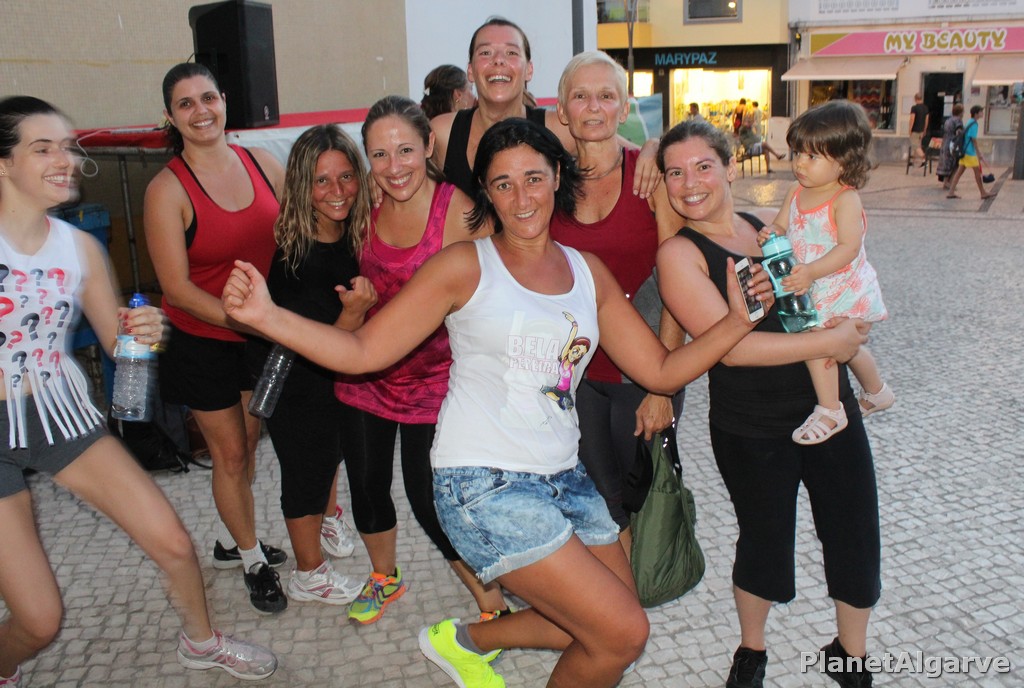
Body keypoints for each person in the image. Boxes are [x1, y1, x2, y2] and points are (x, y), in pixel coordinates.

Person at [223, 116, 773, 688]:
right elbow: (363, 351)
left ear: (556, 176)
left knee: (593, 620)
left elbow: (660, 370)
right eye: (503, 184)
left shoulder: (588, 273)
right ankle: (471, 640)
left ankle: (464, 640)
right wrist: (267, 316)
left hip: (565, 475)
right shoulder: (465, 265)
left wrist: (736, 322)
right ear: (486, 192)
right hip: (483, 482)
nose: (521, 197)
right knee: (623, 633)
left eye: (533, 178)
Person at [0, 95, 277, 685]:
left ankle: (201, 642)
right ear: (3, 163)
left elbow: (122, 349)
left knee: (174, 542)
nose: (65, 160)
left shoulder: (79, 247)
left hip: (58, 414)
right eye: (43, 149)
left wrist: (142, 334)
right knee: (39, 621)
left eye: (67, 147)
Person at [654, 118, 877, 688]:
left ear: (731, 168)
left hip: (828, 408)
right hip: (750, 425)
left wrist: (850, 318)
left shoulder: (765, 227)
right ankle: (751, 649)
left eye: (703, 166)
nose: (690, 183)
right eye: (675, 173)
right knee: (764, 539)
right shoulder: (680, 255)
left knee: (854, 531)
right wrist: (831, 343)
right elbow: (733, 351)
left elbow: (830, 274)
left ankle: (851, 656)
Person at [331, 95, 506, 625]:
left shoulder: (459, 210)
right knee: (366, 486)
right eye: (379, 155)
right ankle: (384, 576)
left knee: (430, 498)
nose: (394, 167)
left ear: (429, 145)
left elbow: (498, 291)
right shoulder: (361, 207)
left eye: (405, 150)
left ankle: (491, 602)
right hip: (365, 372)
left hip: (436, 380)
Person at [143, 62, 287, 614]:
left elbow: (294, 239)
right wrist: (249, 322)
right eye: (186, 104)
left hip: (258, 332)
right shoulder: (166, 189)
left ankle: (230, 539)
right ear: (170, 117)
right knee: (228, 454)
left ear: (224, 100)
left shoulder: (263, 163)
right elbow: (176, 289)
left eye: (208, 98)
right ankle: (251, 559)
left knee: (248, 444)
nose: (200, 111)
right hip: (202, 337)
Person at [550, 50, 687, 555]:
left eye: (606, 96)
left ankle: (645, 583)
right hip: (578, 375)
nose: (593, 107)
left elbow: (677, 283)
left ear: (624, 107)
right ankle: (620, 592)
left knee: (642, 493)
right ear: (562, 109)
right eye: (580, 96)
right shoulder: (549, 183)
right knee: (600, 499)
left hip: (643, 371)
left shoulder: (650, 179)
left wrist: (662, 386)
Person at [246, 124, 377, 605]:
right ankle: (308, 573)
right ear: (302, 185)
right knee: (305, 473)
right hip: (296, 382)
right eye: (322, 180)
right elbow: (313, 344)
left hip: (331, 382)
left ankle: (327, 519)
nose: (337, 190)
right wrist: (353, 313)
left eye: (346, 177)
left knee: (327, 459)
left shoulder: (347, 235)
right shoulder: (296, 258)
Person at [759, 100, 892, 445]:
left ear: (844, 161)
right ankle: (877, 391)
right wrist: (771, 232)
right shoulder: (796, 191)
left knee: (816, 342)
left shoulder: (845, 200)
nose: (799, 163)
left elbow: (848, 248)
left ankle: (831, 409)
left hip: (839, 285)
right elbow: (782, 224)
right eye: (797, 153)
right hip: (809, 282)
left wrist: (811, 271)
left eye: (812, 156)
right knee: (845, 347)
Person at [429, 16, 661, 200]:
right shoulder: (443, 132)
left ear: (529, 70)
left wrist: (652, 148)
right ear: (470, 71)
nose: (498, 60)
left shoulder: (555, 129)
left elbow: (625, 151)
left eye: (511, 52)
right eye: (486, 52)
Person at [945, 105, 996, 200]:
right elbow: (973, 139)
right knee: (977, 173)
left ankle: (951, 192)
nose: (982, 113)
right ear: (976, 114)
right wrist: (978, 153)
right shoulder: (974, 124)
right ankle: (983, 193)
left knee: (959, 173)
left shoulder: (969, 122)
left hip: (964, 151)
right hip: (970, 153)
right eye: (981, 112)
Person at [936, 104, 964, 187]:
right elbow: (959, 132)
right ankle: (950, 182)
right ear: (960, 112)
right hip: (953, 144)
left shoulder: (948, 120)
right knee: (955, 163)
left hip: (945, 142)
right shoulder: (958, 120)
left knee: (946, 163)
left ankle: (945, 182)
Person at [908, 93, 930, 165]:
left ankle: (924, 159)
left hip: (915, 130)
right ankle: (912, 161)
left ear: (915, 99)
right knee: (917, 146)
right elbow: (927, 120)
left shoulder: (914, 108)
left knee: (915, 146)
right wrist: (925, 129)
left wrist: (910, 129)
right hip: (921, 130)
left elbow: (912, 119)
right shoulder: (925, 108)